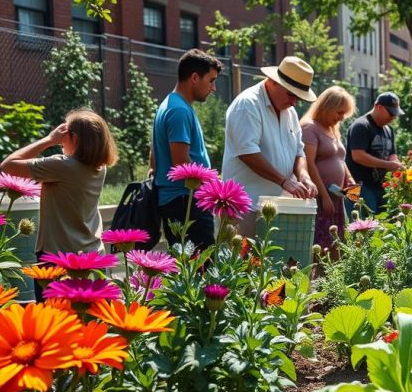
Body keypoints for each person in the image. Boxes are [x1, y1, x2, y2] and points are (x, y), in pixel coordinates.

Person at [1, 110, 118, 299]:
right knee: (87, 320)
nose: (61, 137)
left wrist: (48, 140)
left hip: (59, 259)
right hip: (93, 254)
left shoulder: (62, 166)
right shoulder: (99, 167)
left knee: (55, 321)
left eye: (65, 132)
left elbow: (8, 165)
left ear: (75, 138)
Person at [222, 55, 319, 237]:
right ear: (273, 82)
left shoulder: (289, 112)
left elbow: (299, 151)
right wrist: (284, 180)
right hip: (246, 206)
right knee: (242, 264)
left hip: (276, 206)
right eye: (291, 94)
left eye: (298, 97)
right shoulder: (248, 104)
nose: (294, 102)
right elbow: (247, 153)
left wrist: (303, 176)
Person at [150, 49, 224, 250]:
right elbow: (181, 163)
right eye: (211, 80)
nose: (214, 87)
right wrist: (217, 187)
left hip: (179, 201)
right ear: (194, 77)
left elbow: (153, 157)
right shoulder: (179, 111)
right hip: (185, 202)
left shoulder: (170, 104)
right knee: (201, 268)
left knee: (189, 269)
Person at [301, 86, 357, 251]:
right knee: (321, 243)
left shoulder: (332, 129)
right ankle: (317, 276)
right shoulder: (309, 127)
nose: (341, 118)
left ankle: (332, 276)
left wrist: (350, 180)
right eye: (339, 113)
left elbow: (340, 159)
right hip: (320, 196)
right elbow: (308, 163)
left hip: (336, 196)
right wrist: (324, 196)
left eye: (344, 114)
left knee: (337, 244)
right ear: (327, 107)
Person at [345, 92, 403, 214]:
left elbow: (392, 155)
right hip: (356, 186)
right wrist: (388, 165)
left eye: (395, 114)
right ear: (379, 107)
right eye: (391, 113)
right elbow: (358, 156)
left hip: (379, 188)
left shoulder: (389, 130)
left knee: (381, 226)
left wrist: (397, 165)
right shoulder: (360, 125)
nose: (393, 117)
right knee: (359, 225)